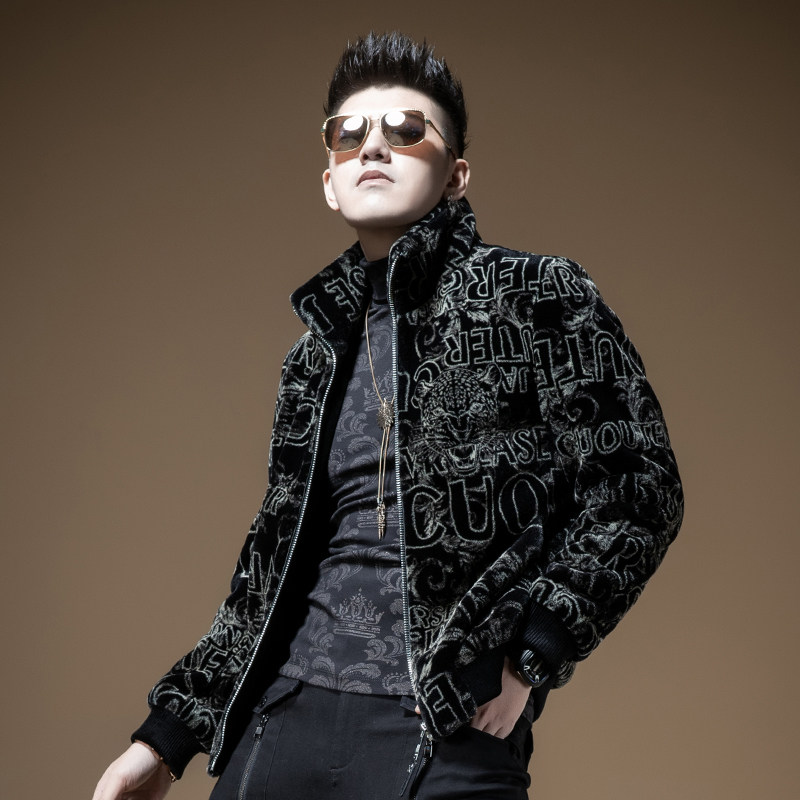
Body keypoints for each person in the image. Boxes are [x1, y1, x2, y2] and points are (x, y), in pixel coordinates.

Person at [92, 31, 683, 800]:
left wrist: (529, 658)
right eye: (349, 134)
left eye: (407, 130)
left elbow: (638, 491)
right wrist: (167, 737)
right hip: (282, 719)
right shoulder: (315, 354)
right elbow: (270, 564)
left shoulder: (538, 295)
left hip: (446, 722)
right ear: (330, 182)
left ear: (456, 173)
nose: (373, 146)